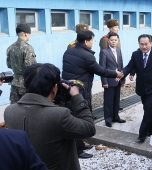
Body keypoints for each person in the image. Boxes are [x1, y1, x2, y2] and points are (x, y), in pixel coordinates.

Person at [4, 63, 96, 170]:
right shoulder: (59, 115)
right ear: (54, 88)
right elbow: (89, 128)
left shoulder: (9, 111)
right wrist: (77, 97)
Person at [62, 30, 123, 158]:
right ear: (86, 41)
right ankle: (78, 150)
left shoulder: (68, 51)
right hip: (80, 90)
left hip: (69, 88)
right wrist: (115, 73)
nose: (93, 43)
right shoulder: (87, 56)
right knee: (78, 119)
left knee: (74, 116)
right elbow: (100, 70)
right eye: (92, 41)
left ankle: (81, 143)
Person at [122, 34, 152, 142]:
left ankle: (142, 134)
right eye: (141, 44)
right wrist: (122, 74)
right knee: (151, 109)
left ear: (151, 43)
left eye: (146, 44)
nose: (144, 47)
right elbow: (129, 66)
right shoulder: (136, 54)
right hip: (142, 88)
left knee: (148, 110)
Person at [99, 33, 126, 127]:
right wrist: (104, 82)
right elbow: (102, 68)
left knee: (116, 99)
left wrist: (122, 78)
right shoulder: (104, 52)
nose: (113, 41)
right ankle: (108, 119)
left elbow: (121, 65)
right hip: (109, 80)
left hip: (118, 80)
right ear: (108, 41)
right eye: (112, 40)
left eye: (115, 40)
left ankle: (116, 116)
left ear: (118, 41)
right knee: (108, 101)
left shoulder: (119, 50)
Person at [6, 24, 37, 104]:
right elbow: (31, 68)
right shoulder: (28, 48)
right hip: (25, 84)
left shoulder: (10, 47)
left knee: (14, 109)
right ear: (26, 33)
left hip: (14, 83)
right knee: (27, 109)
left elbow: (9, 65)